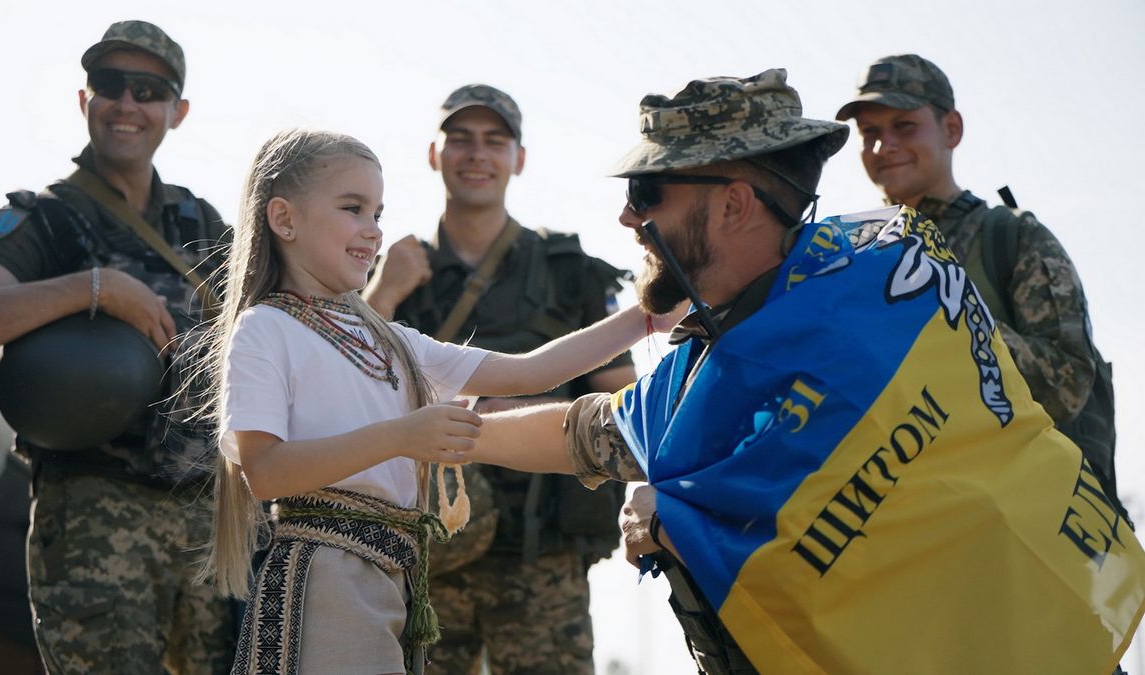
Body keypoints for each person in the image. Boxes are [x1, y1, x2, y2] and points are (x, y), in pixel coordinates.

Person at [463, 69, 1145, 674]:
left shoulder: (878, 293)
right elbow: (589, 433)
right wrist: (423, 425)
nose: (628, 215)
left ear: (733, 204)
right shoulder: (713, 359)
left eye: (649, 190)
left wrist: (678, 511)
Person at [199, 129, 674, 675]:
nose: (372, 231)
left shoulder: (391, 339)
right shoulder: (265, 329)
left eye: (378, 213)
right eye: (353, 209)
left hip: (393, 572)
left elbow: (529, 371)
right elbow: (265, 472)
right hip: (322, 571)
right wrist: (403, 436)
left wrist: (646, 318)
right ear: (284, 219)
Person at [0, 20, 235, 673]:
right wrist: (93, 287)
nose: (126, 104)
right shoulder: (47, 216)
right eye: (110, 85)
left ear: (176, 111)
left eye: (148, 89)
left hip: (207, 517)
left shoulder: (202, 224)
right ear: (85, 99)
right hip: (96, 515)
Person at [362, 83, 636, 674]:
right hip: (430, 556)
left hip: (543, 554)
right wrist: (382, 294)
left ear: (520, 159)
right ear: (434, 155)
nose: (476, 155)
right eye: (459, 139)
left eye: (494, 140)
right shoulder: (396, 272)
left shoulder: (569, 273)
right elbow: (347, 384)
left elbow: (622, 403)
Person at [834, 54, 1121, 508]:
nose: (883, 146)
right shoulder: (855, 263)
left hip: (1043, 521)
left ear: (952, 129)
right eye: (870, 133)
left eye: (904, 127)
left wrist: (945, 310)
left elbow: (1067, 386)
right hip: (928, 527)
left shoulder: (1009, 237)